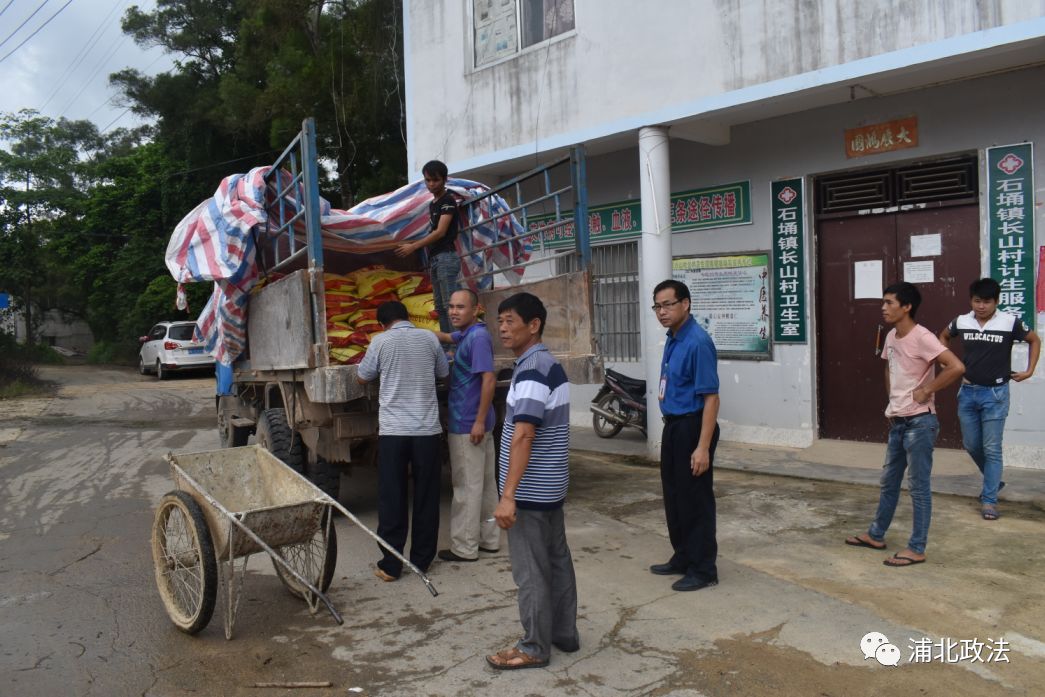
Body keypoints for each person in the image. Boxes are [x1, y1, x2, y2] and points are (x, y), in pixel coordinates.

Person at [486, 292, 578, 670]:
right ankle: (563, 633)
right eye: (500, 321)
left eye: (510, 320)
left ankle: (534, 647)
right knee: (556, 561)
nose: (503, 328)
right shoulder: (547, 364)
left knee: (531, 571)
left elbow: (524, 433)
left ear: (533, 325)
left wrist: (508, 495)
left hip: (530, 491)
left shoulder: (532, 369)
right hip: (550, 485)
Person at [845, 282, 964, 567]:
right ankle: (876, 534)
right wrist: (893, 401)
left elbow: (956, 367)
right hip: (899, 421)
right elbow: (889, 366)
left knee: (918, 487)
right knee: (889, 482)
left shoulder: (922, 337)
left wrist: (927, 390)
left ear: (906, 306)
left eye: (889, 303)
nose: (883, 308)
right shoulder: (891, 336)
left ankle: (917, 547)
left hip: (920, 423)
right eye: (883, 303)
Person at [357, 300, 449, 581]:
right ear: (407, 317)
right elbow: (443, 374)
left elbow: (363, 377)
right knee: (426, 496)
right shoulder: (429, 339)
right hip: (427, 432)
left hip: (394, 433)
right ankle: (422, 561)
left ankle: (390, 565)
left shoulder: (380, 341)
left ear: (382, 323)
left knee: (392, 497)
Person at [938, 278, 1040, 520]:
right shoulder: (961, 321)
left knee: (991, 449)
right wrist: (947, 362)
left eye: (986, 302)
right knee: (972, 445)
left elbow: (1034, 340)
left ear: (996, 302)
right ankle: (994, 482)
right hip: (967, 393)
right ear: (970, 300)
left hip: (995, 394)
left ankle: (989, 500)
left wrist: (1029, 371)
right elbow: (943, 336)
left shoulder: (1009, 322)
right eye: (977, 301)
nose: (981, 306)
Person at [649, 279, 721, 592]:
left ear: (685, 304)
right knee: (675, 497)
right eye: (657, 306)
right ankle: (683, 556)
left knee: (695, 500)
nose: (662, 312)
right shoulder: (674, 337)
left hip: (693, 426)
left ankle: (704, 569)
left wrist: (702, 447)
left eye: (668, 304)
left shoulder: (697, 342)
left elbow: (711, 398)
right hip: (674, 425)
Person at [430, 289, 500, 562]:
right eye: (451, 306)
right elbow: (447, 337)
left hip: (468, 423)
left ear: (476, 309)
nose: (453, 311)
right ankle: (489, 540)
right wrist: (418, 332)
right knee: (484, 485)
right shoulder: (469, 334)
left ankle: (464, 547)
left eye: (460, 307)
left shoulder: (478, 338)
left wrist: (478, 421)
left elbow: (489, 380)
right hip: (475, 421)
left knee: (466, 487)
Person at [395, 159, 461, 334]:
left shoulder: (448, 200)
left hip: (446, 257)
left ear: (445, 179)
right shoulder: (433, 204)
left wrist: (413, 246)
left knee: (450, 305)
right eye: (428, 180)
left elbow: (440, 232)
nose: (431, 184)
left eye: (435, 180)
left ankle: (458, 346)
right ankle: (448, 346)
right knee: (440, 306)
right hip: (436, 259)